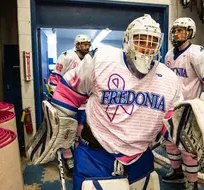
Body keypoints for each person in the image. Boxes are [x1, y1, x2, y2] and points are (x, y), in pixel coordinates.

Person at [51, 14, 183, 190]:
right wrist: (60, 127)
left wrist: (185, 134)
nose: (146, 47)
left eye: (152, 42)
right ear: (128, 40)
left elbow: (170, 121)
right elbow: (67, 92)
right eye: (140, 40)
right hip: (97, 154)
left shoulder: (169, 78)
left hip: (141, 156)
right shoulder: (101, 59)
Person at [162, 17, 204, 189]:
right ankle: (177, 172)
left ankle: (192, 183)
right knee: (170, 141)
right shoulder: (168, 55)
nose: (177, 34)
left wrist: (199, 108)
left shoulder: (199, 53)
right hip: (172, 107)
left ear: (191, 33)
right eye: (175, 30)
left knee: (188, 148)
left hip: (189, 110)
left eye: (182, 30)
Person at [48, 34, 92, 174]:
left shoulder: (90, 59)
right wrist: (56, 96)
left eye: (88, 44)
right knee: (67, 129)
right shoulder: (66, 56)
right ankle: (68, 155)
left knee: (80, 130)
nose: (86, 47)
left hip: (84, 103)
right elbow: (55, 76)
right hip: (67, 101)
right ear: (77, 45)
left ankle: (78, 155)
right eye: (84, 44)